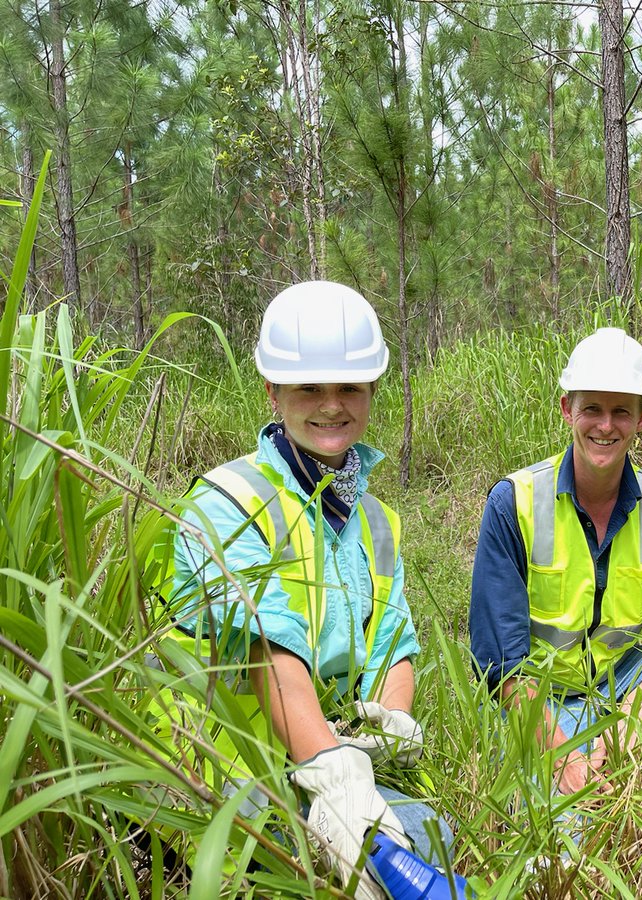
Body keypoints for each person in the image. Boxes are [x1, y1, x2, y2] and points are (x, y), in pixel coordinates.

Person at [162, 281, 450, 898]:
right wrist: (337, 777)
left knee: (428, 843)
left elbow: (392, 642)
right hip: (222, 758)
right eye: (309, 387)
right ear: (272, 390)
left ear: (372, 391)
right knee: (294, 874)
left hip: (325, 746)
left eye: (349, 387)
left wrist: (391, 719)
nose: (331, 405)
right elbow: (266, 649)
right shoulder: (225, 503)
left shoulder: (375, 518)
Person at [469, 327, 642, 795]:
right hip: (540, 693)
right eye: (592, 408)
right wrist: (562, 753)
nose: (605, 426)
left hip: (625, 678)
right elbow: (499, 663)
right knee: (560, 812)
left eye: (620, 411)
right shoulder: (515, 503)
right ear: (568, 408)